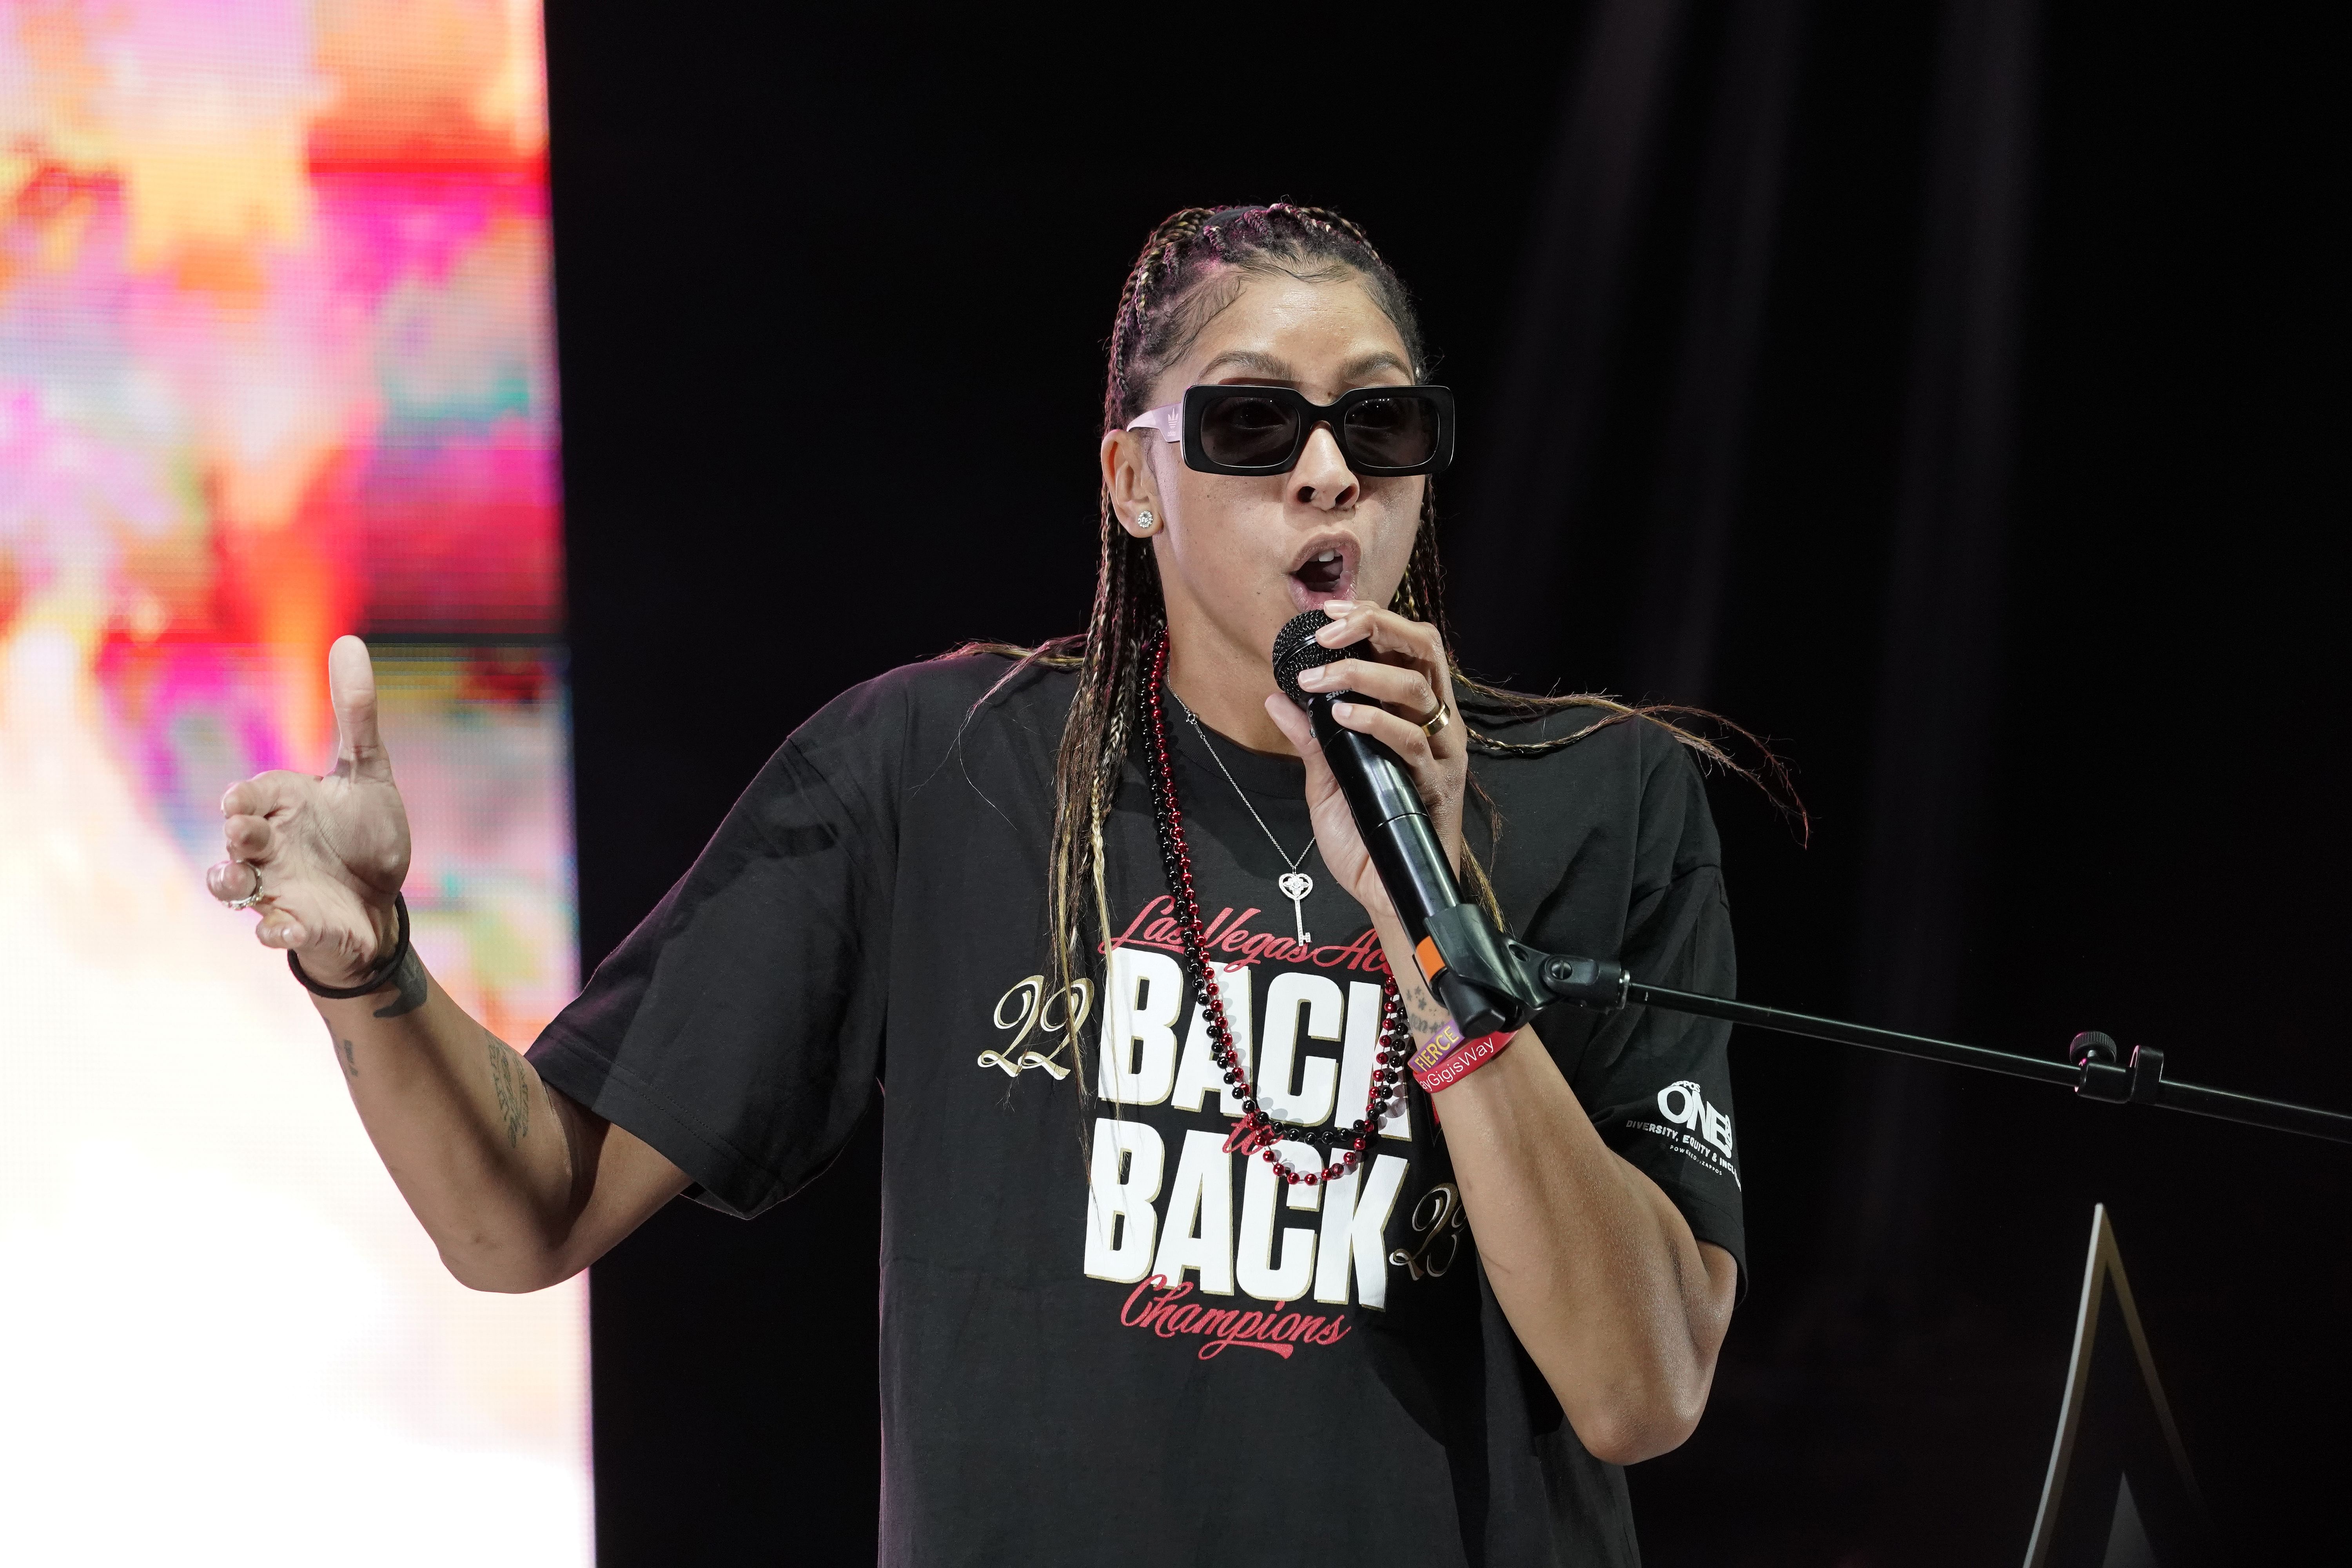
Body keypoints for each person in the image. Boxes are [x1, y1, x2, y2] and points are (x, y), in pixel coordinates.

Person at [209, 204, 1746, 1565]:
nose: (1332, 472)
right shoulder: (935, 773)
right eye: (1254, 426)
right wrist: (375, 970)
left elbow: (1643, 1389)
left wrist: (1434, 921)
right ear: (1134, 485)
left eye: (1381, 425)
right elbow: (522, 1221)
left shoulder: (1602, 802)